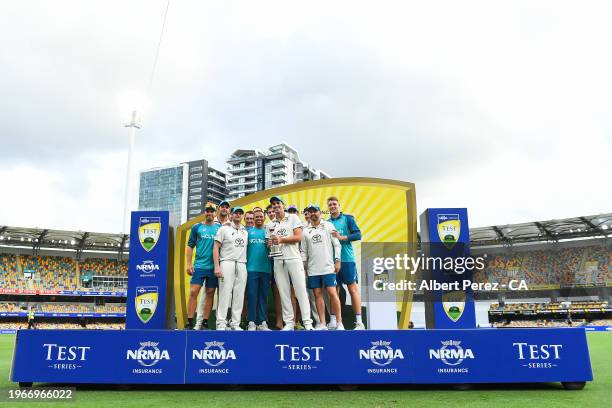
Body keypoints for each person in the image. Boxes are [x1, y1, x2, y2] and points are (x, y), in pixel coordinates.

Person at [266, 196, 313, 330]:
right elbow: (270, 243)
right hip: (278, 259)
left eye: (277, 203)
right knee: (284, 292)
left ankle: (307, 322)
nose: (275, 206)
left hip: (293, 258)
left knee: (300, 291)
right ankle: (289, 323)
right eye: (273, 204)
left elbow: (298, 237)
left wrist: (281, 240)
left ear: (283, 205)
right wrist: (270, 243)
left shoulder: (293, 218)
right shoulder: (270, 224)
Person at [301, 204, 344, 330]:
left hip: (328, 267)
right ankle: (322, 323)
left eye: (315, 211)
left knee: (332, 292)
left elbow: (337, 245)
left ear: (320, 212)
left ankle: (339, 322)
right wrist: (304, 268)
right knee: (317, 294)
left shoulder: (328, 225)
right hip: (313, 268)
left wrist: (337, 261)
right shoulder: (305, 231)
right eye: (310, 212)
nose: (313, 214)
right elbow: (303, 251)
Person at [327, 196, 365, 330]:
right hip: (332, 262)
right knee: (333, 291)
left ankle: (359, 322)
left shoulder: (348, 218)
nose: (332, 206)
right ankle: (335, 321)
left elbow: (358, 235)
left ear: (339, 205)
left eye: (334, 204)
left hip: (347, 260)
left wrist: (342, 237)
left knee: (352, 289)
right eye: (330, 205)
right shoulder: (326, 223)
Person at [185, 203, 220, 330]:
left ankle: (205, 321)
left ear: (215, 213)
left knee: (210, 293)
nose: (209, 213)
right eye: (207, 211)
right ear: (204, 213)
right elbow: (190, 246)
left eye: (212, 211)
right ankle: (189, 321)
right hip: (199, 266)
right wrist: (189, 264)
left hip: (213, 267)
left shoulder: (219, 227)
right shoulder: (197, 227)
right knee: (194, 292)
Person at [214, 207, 249, 330]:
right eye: (236, 213)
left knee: (239, 295)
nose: (238, 215)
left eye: (240, 213)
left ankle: (235, 323)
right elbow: (216, 248)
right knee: (225, 293)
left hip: (241, 264)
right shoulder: (223, 229)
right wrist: (217, 266)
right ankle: (221, 323)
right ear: (231, 215)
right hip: (226, 263)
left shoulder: (245, 231)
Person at [246, 208, 272, 330]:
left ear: (264, 217)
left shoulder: (268, 232)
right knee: (252, 295)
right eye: (257, 217)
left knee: (263, 296)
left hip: (266, 269)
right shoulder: (247, 232)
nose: (259, 218)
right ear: (253, 218)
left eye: (261, 216)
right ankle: (251, 321)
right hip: (251, 269)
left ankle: (262, 322)